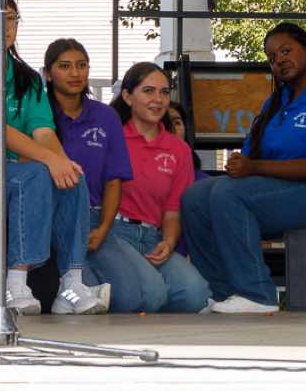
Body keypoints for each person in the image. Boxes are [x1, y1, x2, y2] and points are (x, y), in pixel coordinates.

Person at [0, 0, 110, 315]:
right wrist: (49, 160)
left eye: (11, 19)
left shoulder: (26, 77)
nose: (4, 27)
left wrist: (62, 164)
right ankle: (15, 284)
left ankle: (71, 283)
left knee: (73, 176)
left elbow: (43, 131)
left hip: (7, 169)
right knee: (34, 175)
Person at [180, 23, 306, 314]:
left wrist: (254, 167)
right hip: (276, 189)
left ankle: (258, 294)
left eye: (286, 51)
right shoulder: (276, 101)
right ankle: (222, 293)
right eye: (272, 58)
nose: (279, 61)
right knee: (194, 198)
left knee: (229, 193)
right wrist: (240, 164)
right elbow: (251, 156)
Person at [83, 62, 211, 313]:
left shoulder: (179, 149)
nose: (158, 99)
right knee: (150, 294)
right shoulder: (110, 137)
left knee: (196, 295)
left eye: (164, 92)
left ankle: (128, 292)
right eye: (148, 91)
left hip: (152, 237)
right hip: (111, 232)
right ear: (127, 96)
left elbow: (173, 211)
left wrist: (169, 242)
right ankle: (91, 283)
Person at [44, 38, 137, 310]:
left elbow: (114, 179)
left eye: (81, 65)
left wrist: (103, 228)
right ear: (48, 73)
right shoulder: (39, 114)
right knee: (93, 294)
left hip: (96, 220)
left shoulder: (106, 116)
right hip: (53, 219)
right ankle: (71, 291)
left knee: (140, 296)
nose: (75, 73)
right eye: (65, 66)